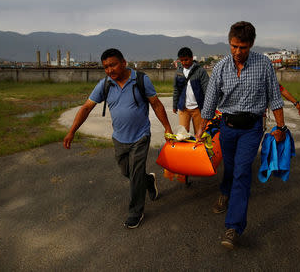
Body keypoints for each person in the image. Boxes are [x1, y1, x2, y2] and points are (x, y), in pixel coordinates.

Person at [195, 21, 287, 250]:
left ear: (251, 44)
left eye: (242, 47)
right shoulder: (220, 67)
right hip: (226, 127)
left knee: (243, 171)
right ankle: (225, 192)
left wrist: (281, 127)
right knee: (231, 166)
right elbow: (210, 100)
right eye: (234, 46)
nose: (237, 52)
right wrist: (201, 128)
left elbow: (275, 97)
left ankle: (233, 227)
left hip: (251, 128)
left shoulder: (264, 64)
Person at [63, 48, 173, 229]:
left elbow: (156, 104)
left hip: (141, 136)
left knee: (135, 174)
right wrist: (72, 131)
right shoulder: (105, 84)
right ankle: (148, 181)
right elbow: (86, 108)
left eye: (113, 65)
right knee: (126, 172)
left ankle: (135, 212)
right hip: (120, 139)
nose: (109, 70)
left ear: (123, 63)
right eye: (105, 67)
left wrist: (168, 129)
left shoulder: (140, 80)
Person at [165, 47, 209, 183]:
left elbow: (207, 89)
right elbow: (176, 89)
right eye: (182, 60)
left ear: (191, 58)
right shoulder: (178, 72)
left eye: (186, 60)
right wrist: (174, 105)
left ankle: (199, 164)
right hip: (183, 108)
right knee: (182, 137)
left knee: (199, 137)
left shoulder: (200, 71)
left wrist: (208, 108)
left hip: (198, 109)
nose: (184, 62)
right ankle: (184, 169)